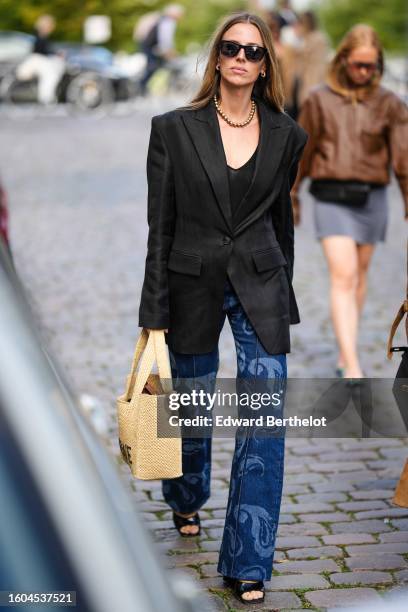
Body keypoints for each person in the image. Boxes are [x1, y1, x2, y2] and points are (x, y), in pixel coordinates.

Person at [138, 11, 308, 604]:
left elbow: (281, 222)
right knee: (190, 412)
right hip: (189, 282)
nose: (241, 58)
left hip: (261, 284)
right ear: (216, 58)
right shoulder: (173, 129)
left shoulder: (289, 135)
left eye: (254, 52)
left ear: (265, 67)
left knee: (264, 418)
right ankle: (185, 497)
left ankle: (248, 560)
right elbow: (160, 227)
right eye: (232, 48)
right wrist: (152, 311)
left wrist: (284, 299)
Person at [290, 24, 408, 379]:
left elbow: (403, 159)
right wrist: (291, 196)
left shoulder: (389, 103)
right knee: (344, 274)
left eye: (371, 66)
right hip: (330, 197)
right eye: (358, 65)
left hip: (371, 199)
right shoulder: (318, 99)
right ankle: (350, 360)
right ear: (343, 61)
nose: (364, 72)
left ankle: (347, 347)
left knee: (359, 277)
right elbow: (302, 154)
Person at [16, 15, 65, 105]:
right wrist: (55, 54)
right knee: (50, 75)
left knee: (52, 72)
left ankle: (47, 96)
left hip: (39, 60)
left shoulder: (39, 36)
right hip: (38, 60)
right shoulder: (39, 36)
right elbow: (42, 50)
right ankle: (46, 97)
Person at [138, 3, 185, 95]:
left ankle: (144, 87)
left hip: (150, 47)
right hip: (151, 48)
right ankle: (141, 87)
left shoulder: (162, 19)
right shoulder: (168, 22)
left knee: (154, 67)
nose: (181, 17)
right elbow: (165, 40)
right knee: (153, 67)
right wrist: (171, 53)